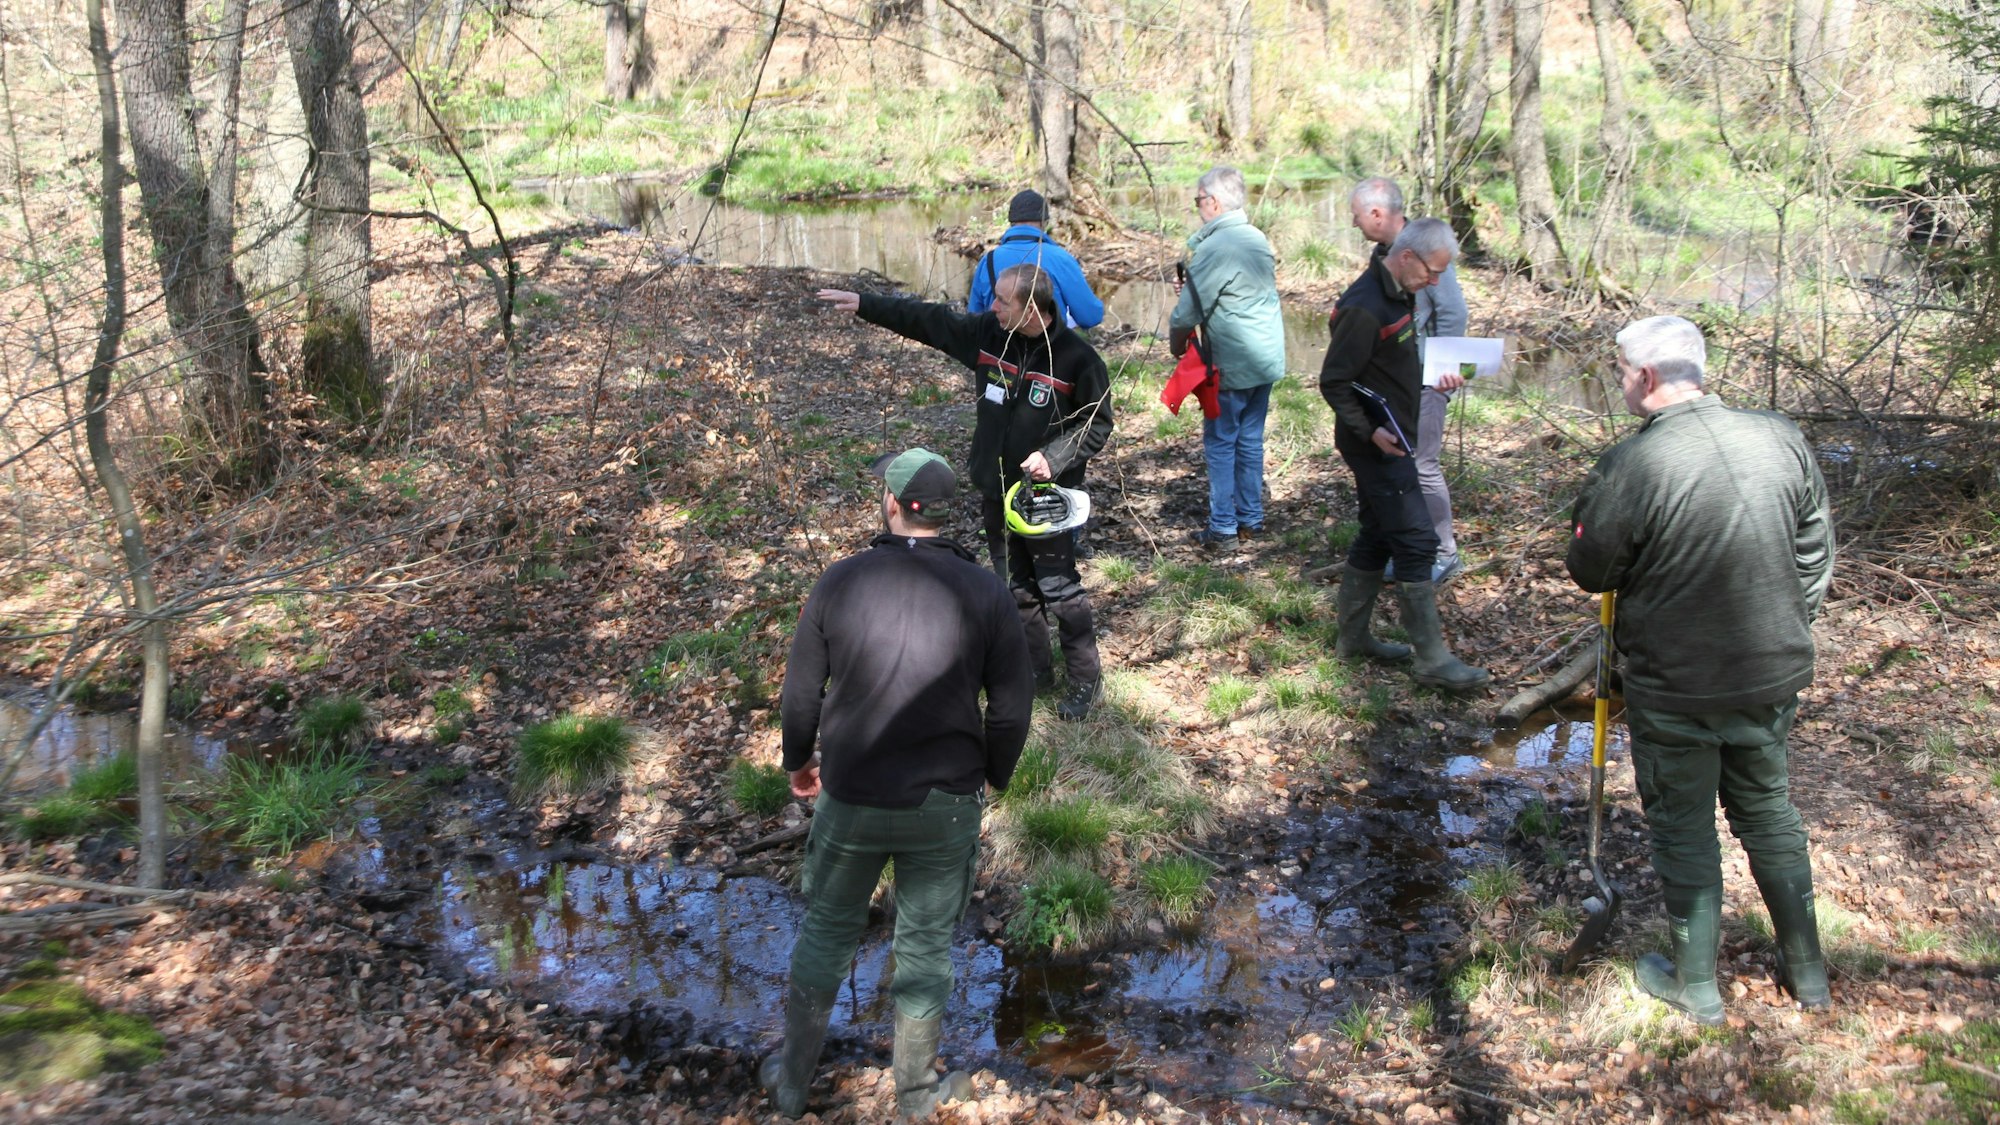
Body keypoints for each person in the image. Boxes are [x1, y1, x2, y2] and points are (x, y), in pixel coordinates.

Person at [1566, 315, 1834, 1025]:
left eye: (1622, 371)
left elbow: (1590, 567)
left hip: (1676, 683)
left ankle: (1697, 988)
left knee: (1683, 825)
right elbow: (1815, 552)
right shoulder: (1780, 436)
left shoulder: (1636, 463)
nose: (1621, 381)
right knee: (1768, 811)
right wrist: (1782, 621)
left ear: (1647, 377)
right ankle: (1808, 974)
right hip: (1771, 672)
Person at [763, 447, 1033, 1118]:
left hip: (851, 793)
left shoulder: (841, 581)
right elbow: (1013, 704)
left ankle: (791, 1084)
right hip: (944, 802)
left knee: (826, 929)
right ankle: (914, 1094)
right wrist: (994, 773)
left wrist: (799, 762)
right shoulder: (986, 590)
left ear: (892, 505)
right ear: (944, 513)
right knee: (924, 947)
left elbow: (800, 694)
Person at [816, 264, 1113, 721]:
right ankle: (1037, 672)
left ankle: (1086, 682)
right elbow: (929, 320)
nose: (991, 306)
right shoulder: (989, 336)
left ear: (1032, 307)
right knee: (1015, 588)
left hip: (1047, 500)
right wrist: (866, 305)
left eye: (1002, 301)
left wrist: (1053, 458)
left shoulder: (1077, 359)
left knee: (1059, 589)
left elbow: (1097, 424)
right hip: (997, 493)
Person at [1318, 218, 1489, 691]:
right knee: (1416, 540)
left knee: (1376, 532)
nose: (1435, 283)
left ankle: (1353, 641)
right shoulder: (1364, 307)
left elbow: (1393, 363)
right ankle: (1432, 661)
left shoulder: (1400, 292)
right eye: (1432, 273)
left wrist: (1438, 373)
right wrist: (1371, 432)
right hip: (1377, 443)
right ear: (1407, 257)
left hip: (1399, 433)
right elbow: (1334, 381)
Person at [1350, 176, 1469, 583]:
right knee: (1395, 466)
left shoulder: (1426, 250)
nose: (1354, 224)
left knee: (1423, 465)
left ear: (1378, 213)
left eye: (1357, 215)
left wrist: (1438, 374)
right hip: (1390, 386)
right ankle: (1404, 546)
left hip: (1424, 385)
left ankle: (1443, 552)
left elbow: (1452, 314)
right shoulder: (1385, 254)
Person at [1169, 165, 1286, 551]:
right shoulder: (1255, 237)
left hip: (1233, 364)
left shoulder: (1215, 247)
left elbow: (1187, 314)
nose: (1197, 207)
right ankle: (1250, 519)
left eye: (1199, 200)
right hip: (1265, 358)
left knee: (1222, 442)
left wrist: (1175, 346)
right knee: (1250, 440)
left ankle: (1223, 527)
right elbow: (1231, 293)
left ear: (1214, 202)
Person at [966, 189, 1105, 331]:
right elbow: (1090, 317)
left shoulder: (988, 261)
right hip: (1049, 350)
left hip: (1000, 350)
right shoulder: (1061, 259)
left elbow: (974, 321)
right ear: (1044, 222)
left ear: (1011, 222)